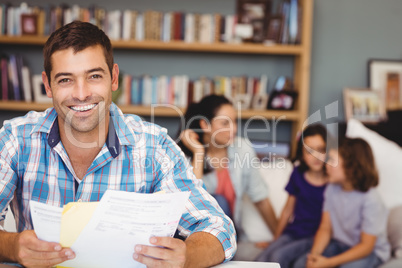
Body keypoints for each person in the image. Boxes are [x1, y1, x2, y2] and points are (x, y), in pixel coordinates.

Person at [0, 21, 236, 268]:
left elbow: (219, 228)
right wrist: (12, 247)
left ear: (113, 78)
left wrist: (187, 256)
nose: (81, 94)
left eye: (94, 76)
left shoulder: (155, 147)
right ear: (48, 85)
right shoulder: (16, 139)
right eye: (66, 80)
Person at [177, 94, 277, 239]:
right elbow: (193, 204)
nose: (234, 129)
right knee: (218, 200)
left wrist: (278, 239)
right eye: (225, 123)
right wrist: (198, 152)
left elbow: (261, 199)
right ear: (205, 125)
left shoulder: (243, 149)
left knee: (221, 205)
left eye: (234, 122)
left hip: (227, 233)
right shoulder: (185, 155)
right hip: (193, 232)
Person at [294, 138, 390, 268]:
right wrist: (315, 256)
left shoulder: (371, 199)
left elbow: (366, 246)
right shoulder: (332, 188)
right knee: (301, 264)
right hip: (341, 244)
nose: (326, 164)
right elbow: (325, 228)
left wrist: (328, 263)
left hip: (370, 252)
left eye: (332, 160)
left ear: (351, 166)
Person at [255, 124, 328, 267]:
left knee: (278, 256)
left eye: (321, 150)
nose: (316, 156)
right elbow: (288, 210)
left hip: (314, 237)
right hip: (293, 232)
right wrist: (275, 240)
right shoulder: (298, 174)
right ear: (302, 153)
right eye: (309, 151)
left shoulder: (332, 181)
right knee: (262, 258)